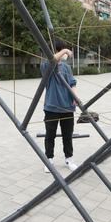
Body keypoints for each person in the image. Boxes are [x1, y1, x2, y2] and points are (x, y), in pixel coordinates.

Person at [41, 38, 78, 173]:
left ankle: (69, 159)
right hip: (51, 107)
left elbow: (72, 83)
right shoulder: (46, 65)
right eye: (60, 50)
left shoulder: (67, 67)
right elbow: (53, 60)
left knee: (67, 135)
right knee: (50, 135)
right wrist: (65, 51)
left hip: (67, 107)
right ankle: (49, 160)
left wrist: (75, 97)